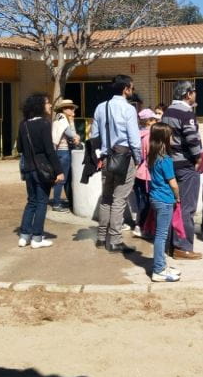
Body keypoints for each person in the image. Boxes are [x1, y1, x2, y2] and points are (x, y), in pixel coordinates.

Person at [91, 74, 141, 253]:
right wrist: (138, 158)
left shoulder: (100, 107)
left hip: (106, 157)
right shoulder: (128, 109)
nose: (132, 91)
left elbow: (94, 136)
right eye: (131, 88)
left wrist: (100, 155)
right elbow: (134, 139)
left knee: (106, 197)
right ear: (126, 89)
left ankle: (101, 237)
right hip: (124, 156)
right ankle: (115, 240)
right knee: (120, 198)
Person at [162, 81, 203, 260]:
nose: (195, 94)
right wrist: (198, 158)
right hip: (186, 164)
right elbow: (192, 138)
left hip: (171, 163)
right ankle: (183, 246)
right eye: (194, 92)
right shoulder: (187, 113)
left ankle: (171, 244)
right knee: (188, 207)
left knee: (174, 205)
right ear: (188, 94)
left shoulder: (166, 113)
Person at [17, 93, 64, 248]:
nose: (50, 105)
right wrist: (59, 170)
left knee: (31, 201)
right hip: (42, 169)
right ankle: (37, 237)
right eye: (47, 103)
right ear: (39, 106)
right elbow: (49, 150)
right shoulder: (44, 124)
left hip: (28, 168)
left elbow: (20, 148)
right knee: (42, 202)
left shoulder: (23, 124)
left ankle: (24, 235)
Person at [147, 122, 182, 282]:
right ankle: (159, 269)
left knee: (160, 234)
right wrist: (178, 196)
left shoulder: (153, 156)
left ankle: (161, 264)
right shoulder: (165, 159)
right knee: (161, 235)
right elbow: (173, 182)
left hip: (155, 197)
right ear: (165, 139)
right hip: (165, 199)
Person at [132, 107, 160, 237]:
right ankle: (142, 227)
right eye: (154, 119)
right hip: (148, 173)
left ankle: (141, 225)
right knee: (147, 202)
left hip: (138, 173)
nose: (156, 121)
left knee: (141, 201)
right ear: (149, 121)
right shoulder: (150, 137)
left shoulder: (137, 134)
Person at [50, 98, 80, 212]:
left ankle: (69, 201)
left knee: (65, 178)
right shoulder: (63, 119)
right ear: (64, 109)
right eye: (69, 107)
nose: (72, 109)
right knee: (62, 179)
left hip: (60, 151)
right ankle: (57, 203)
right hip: (63, 151)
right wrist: (76, 136)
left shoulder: (59, 118)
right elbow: (71, 134)